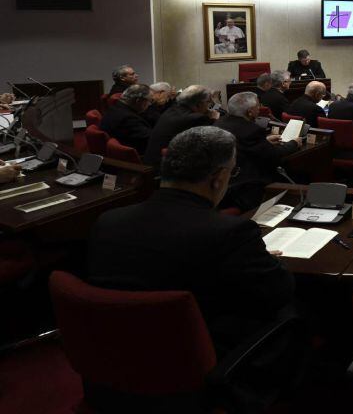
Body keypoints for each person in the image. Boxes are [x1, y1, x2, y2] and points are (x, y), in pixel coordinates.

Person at [86, 126, 295, 353]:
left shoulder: (108, 221)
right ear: (218, 179)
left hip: (117, 348)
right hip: (196, 351)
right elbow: (278, 292)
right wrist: (261, 260)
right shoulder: (230, 232)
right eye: (233, 173)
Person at [215, 93, 300, 210]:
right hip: (247, 185)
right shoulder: (251, 130)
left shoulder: (220, 123)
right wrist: (294, 143)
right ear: (249, 112)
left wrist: (264, 141)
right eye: (258, 106)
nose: (260, 108)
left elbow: (243, 144)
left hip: (226, 179)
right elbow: (273, 156)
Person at [145, 85, 220, 165]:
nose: (210, 105)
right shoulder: (196, 118)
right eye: (208, 102)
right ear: (198, 104)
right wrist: (214, 120)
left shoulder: (172, 109)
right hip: (165, 168)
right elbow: (212, 140)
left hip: (152, 161)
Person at [100, 84, 154, 154]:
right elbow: (151, 140)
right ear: (138, 101)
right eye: (149, 101)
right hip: (135, 158)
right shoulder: (128, 119)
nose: (149, 104)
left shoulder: (116, 107)